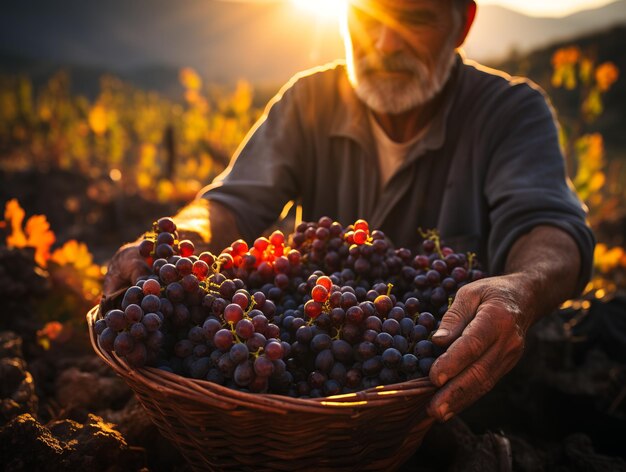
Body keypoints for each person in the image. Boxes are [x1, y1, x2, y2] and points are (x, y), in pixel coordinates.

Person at [103, 0, 594, 424]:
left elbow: (547, 226)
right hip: (314, 383)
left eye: (415, 19)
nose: (384, 43)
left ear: (462, 23)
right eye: (364, 16)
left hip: (439, 395)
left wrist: (519, 290)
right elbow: (229, 204)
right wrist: (174, 242)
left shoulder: (510, 112)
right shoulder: (307, 101)